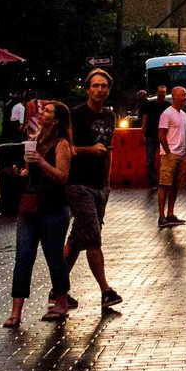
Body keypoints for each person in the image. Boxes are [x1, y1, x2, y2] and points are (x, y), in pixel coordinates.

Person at [7, 99, 75, 328]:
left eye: (47, 111)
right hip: (29, 205)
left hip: (53, 207)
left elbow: (62, 176)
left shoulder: (62, 144)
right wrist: (23, 171)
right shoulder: (35, 140)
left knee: (54, 256)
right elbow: (30, 171)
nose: (42, 113)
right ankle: (16, 311)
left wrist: (41, 162)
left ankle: (61, 302)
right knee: (23, 256)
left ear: (55, 120)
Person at [63, 68, 124, 308]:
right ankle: (106, 290)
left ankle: (58, 287)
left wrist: (107, 185)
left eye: (104, 86)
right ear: (87, 89)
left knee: (79, 237)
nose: (100, 90)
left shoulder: (110, 116)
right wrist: (90, 150)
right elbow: (67, 149)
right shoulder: (75, 115)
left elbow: (108, 150)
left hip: (99, 186)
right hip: (78, 184)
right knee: (93, 237)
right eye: (95, 86)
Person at [155, 86, 186, 226]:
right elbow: (161, 134)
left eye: (185, 95)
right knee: (164, 184)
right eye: (182, 95)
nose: (185, 98)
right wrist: (168, 152)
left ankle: (170, 213)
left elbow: (184, 133)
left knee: (175, 185)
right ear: (174, 97)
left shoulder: (183, 114)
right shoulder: (167, 113)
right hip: (169, 154)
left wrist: (184, 152)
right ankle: (161, 216)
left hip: (180, 154)